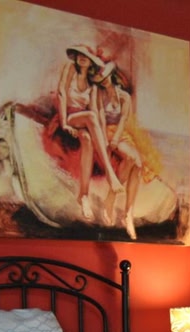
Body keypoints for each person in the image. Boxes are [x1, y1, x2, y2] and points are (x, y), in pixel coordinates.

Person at [56, 45, 124, 220]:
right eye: (79, 54)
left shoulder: (93, 85)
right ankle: (110, 174)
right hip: (67, 118)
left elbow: (94, 110)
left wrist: (103, 138)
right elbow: (61, 92)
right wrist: (64, 123)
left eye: (86, 56)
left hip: (84, 123)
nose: (82, 57)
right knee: (90, 117)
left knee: (87, 140)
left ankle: (83, 196)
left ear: (92, 62)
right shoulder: (70, 68)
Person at [94, 61, 142, 238]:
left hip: (120, 134)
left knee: (138, 164)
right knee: (130, 158)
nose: (104, 81)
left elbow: (123, 120)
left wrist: (116, 138)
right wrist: (106, 139)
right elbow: (100, 117)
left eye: (106, 77)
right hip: (105, 132)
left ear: (111, 76)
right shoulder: (99, 95)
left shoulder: (124, 97)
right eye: (101, 79)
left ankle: (128, 213)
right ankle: (111, 198)